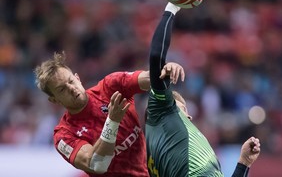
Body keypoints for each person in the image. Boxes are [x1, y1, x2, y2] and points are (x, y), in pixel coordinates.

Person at [145, 2, 261, 177]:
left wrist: (244, 163)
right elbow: (156, 57)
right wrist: (171, 8)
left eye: (186, 110)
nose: (188, 116)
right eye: (181, 108)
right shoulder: (160, 113)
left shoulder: (172, 140)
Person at [34, 51, 184, 176]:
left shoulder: (111, 87)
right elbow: (96, 164)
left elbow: (148, 78)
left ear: (77, 78)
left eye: (71, 81)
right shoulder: (63, 135)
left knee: (173, 101)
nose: (71, 89)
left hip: (153, 172)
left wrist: (164, 72)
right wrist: (112, 122)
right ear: (54, 100)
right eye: (62, 89)